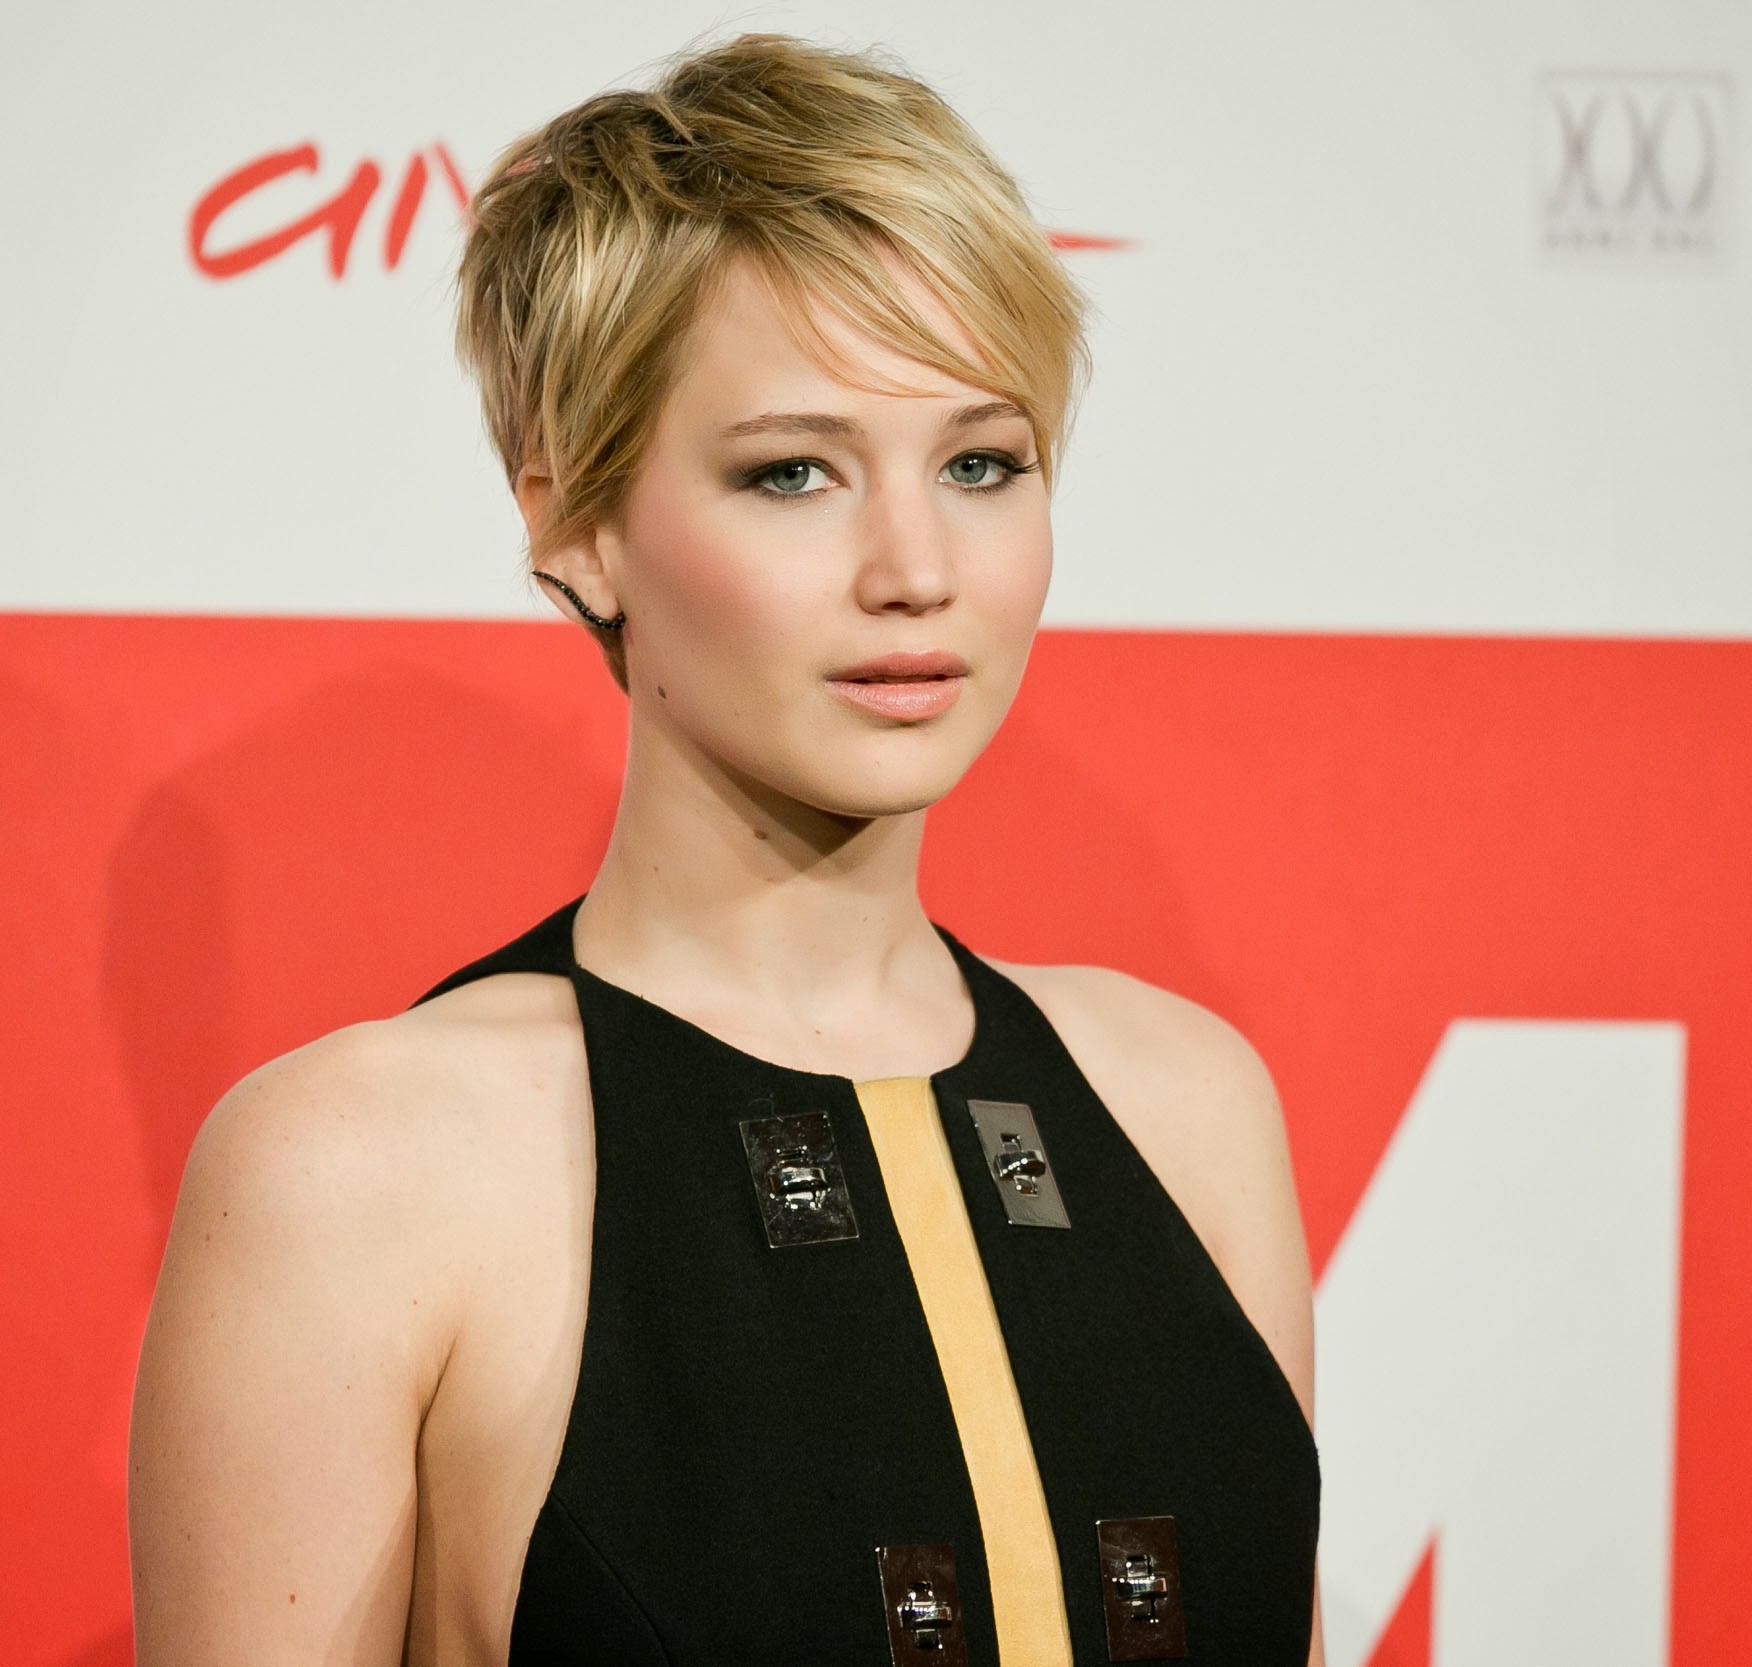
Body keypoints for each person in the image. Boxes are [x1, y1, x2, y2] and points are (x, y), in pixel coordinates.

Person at [128, 33, 1324, 1665]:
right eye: (793, 473)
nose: (915, 567)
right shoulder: (364, 1171)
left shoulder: (1188, 1107)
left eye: (981, 462)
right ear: (578, 526)